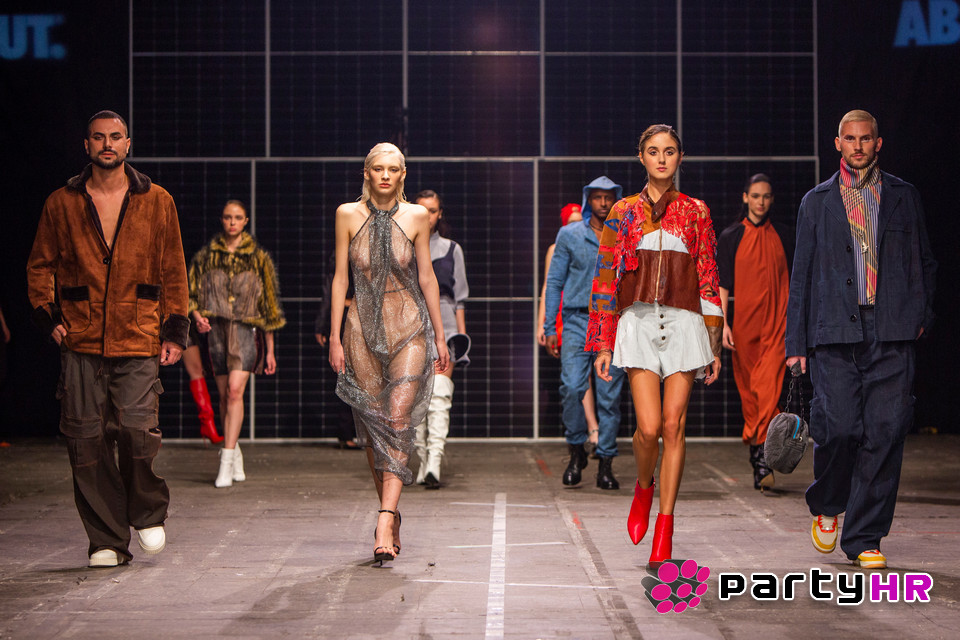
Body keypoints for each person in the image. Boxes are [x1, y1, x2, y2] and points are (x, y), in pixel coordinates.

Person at [26, 110, 189, 567]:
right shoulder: (62, 202)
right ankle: (106, 540)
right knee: (86, 440)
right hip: (81, 337)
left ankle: (147, 511)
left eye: (115, 137)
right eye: (99, 138)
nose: (107, 144)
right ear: (87, 145)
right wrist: (47, 315)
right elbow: (40, 265)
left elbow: (173, 268)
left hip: (138, 333)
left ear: (128, 143)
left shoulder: (157, 200)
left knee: (137, 431)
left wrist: (175, 330)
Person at [786, 110, 936, 570]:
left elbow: (924, 260)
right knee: (839, 429)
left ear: (878, 143)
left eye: (865, 139)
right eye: (849, 139)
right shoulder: (816, 201)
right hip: (833, 331)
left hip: (891, 331)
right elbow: (801, 275)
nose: (857, 146)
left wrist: (921, 314)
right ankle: (829, 503)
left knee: (886, 433)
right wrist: (795, 344)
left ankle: (865, 536)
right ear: (838, 143)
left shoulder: (903, 196)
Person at [587, 124, 723, 568]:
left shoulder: (696, 211)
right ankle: (643, 488)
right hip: (639, 322)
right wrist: (603, 342)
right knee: (647, 429)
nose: (661, 158)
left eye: (669, 151)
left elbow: (708, 275)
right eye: (653, 151)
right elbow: (605, 279)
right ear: (641, 157)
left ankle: (665, 527)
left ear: (680, 157)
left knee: (672, 425)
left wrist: (714, 342)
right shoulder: (623, 211)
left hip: (685, 324)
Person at [328, 143, 450, 565]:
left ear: (403, 175)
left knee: (397, 420)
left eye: (392, 169)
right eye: (378, 168)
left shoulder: (416, 216)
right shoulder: (347, 214)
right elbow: (340, 279)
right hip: (361, 329)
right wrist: (334, 337)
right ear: (366, 172)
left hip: (409, 327)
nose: (385, 175)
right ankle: (392, 510)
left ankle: (383, 519)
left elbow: (427, 277)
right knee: (372, 426)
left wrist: (440, 335)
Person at [187, 200, 286, 487]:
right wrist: (197, 317)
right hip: (216, 333)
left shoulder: (258, 258)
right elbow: (190, 294)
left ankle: (226, 460)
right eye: (228, 217)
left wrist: (270, 351)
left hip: (246, 332)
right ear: (222, 220)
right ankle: (235, 450)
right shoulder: (206, 257)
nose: (232, 222)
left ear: (245, 221)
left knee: (233, 392)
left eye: (238, 217)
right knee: (223, 397)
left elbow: (269, 305)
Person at [544, 177, 626, 490]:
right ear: (588, 200)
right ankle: (576, 449)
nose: (603, 203)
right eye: (597, 197)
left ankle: (605, 461)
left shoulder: (624, 234)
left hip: (613, 322)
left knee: (609, 396)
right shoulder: (569, 234)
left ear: (615, 200)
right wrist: (550, 326)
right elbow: (554, 281)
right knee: (571, 387)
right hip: (577, 319)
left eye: (608, 197)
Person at [717, 174, 794, 491]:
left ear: (771, 199)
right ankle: (759, 454)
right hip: (745, 328)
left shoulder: (785, 235)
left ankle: (763, 458)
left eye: (766, 196)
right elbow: (722, 285)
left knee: (768, 389)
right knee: (751, 393)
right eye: (756, 195)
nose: (761, 201)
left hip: (778, 325)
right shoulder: (731, 236)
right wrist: (722, 324)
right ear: (745, 197)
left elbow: (796, 280)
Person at [411, 189, 469, 489]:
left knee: (440, 396)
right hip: (410, 325)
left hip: (444, 324)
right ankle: (423, 461)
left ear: (440, 213)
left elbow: (460, 299)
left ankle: (434, 461)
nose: (427, 216)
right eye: (422, 210)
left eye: (432, 211)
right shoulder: (402, 247)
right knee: (416, 400)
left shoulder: (451, 249)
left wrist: (460, 338)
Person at [537, 203, 602, 456]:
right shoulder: (556, 248)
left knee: (590, 374)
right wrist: (543, 323)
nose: (577, 225)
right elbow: (548, 285)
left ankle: (593, 428)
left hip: (587, 308)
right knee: (576, 375)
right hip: (565, 312)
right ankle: (588, 430)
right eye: (571, 221)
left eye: (579, 220)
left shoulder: (595, 241)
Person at [315, 251, 360, 449]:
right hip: (348, 318)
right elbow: (331, 290)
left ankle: (349, 433)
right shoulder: (341, 256)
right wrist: (322, 326)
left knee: (356, 377)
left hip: (362, 317)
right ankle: (346, 432)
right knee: (348, 376)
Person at [180, 328, 223, 444]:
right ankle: (148, 429)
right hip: (154, 324)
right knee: (151, 371)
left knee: (197, 370)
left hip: (182, 324)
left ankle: (208, 424)